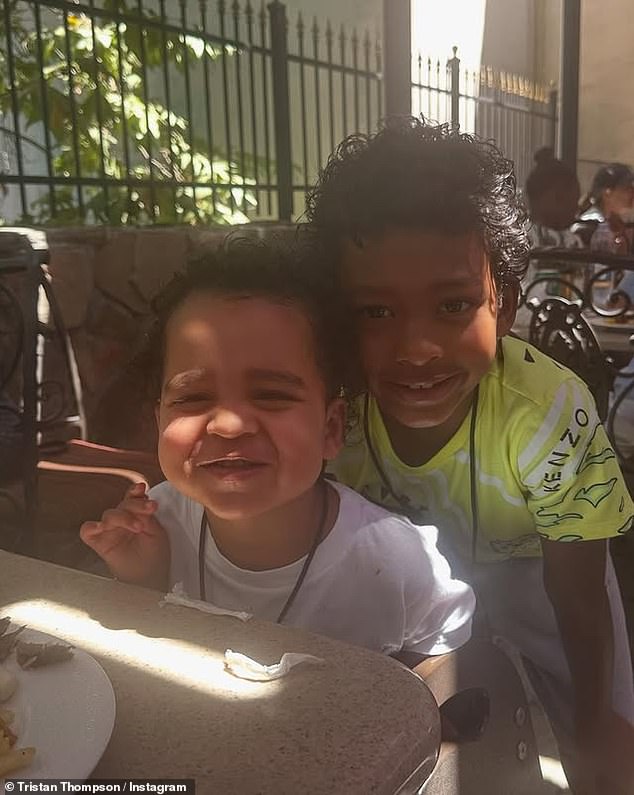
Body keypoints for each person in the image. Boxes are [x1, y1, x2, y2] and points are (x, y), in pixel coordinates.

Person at [304, 117, 634, 795]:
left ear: (505, 304)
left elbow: (578, 597)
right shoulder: (336, 410)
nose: (416, 347)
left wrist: (596, 721)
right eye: (374, 312)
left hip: (544, 571)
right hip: (415, 582)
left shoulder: (547, 414)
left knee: (599, 745)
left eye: (453, 303)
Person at [80, 236, 474, 661]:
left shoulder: (395, 561)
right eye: (193, 397)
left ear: (330, 427)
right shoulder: (159, 524)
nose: (229, 425)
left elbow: (446, 646)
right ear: (159, 420)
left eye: (271, 395)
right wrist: (142, 583)